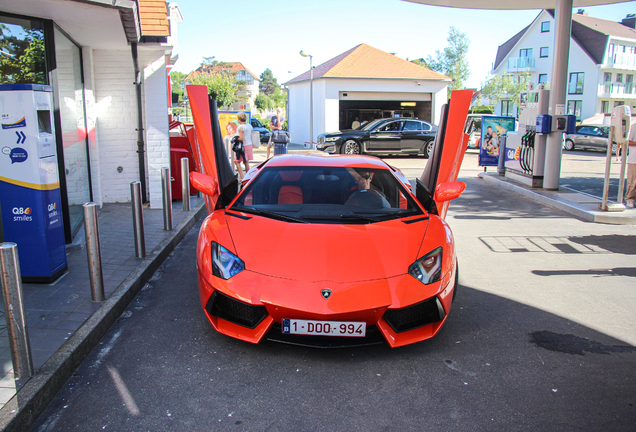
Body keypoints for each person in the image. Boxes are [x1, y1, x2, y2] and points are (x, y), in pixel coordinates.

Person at [235, 112, 254, 180]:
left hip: (243, 146)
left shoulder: (241, 127)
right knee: (246, 161)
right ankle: (248, 177)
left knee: (237, 161)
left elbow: (241, 138)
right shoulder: (249, 126)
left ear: (239, 119)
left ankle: (242, 177)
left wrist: (235, 138)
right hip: (249, 144)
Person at [624, 124, 636, 208]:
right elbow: (627, 141)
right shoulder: (634, 126)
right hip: (634, 160)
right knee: (632, 182)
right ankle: (629, 199)